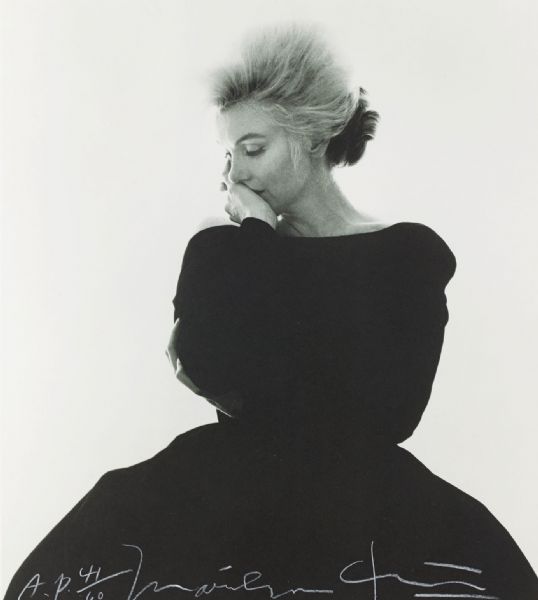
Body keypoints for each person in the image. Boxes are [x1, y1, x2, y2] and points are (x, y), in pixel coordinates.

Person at [4, 22, 537, 600]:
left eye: (253, 149)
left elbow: (393, 411)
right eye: (228, 153)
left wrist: (268, 378)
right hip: (217, 502)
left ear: (314, 138)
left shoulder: (408, 253)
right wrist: (256, 235)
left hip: (362, 505)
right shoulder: (221, 246)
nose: (235, 173)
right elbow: (206, 366)